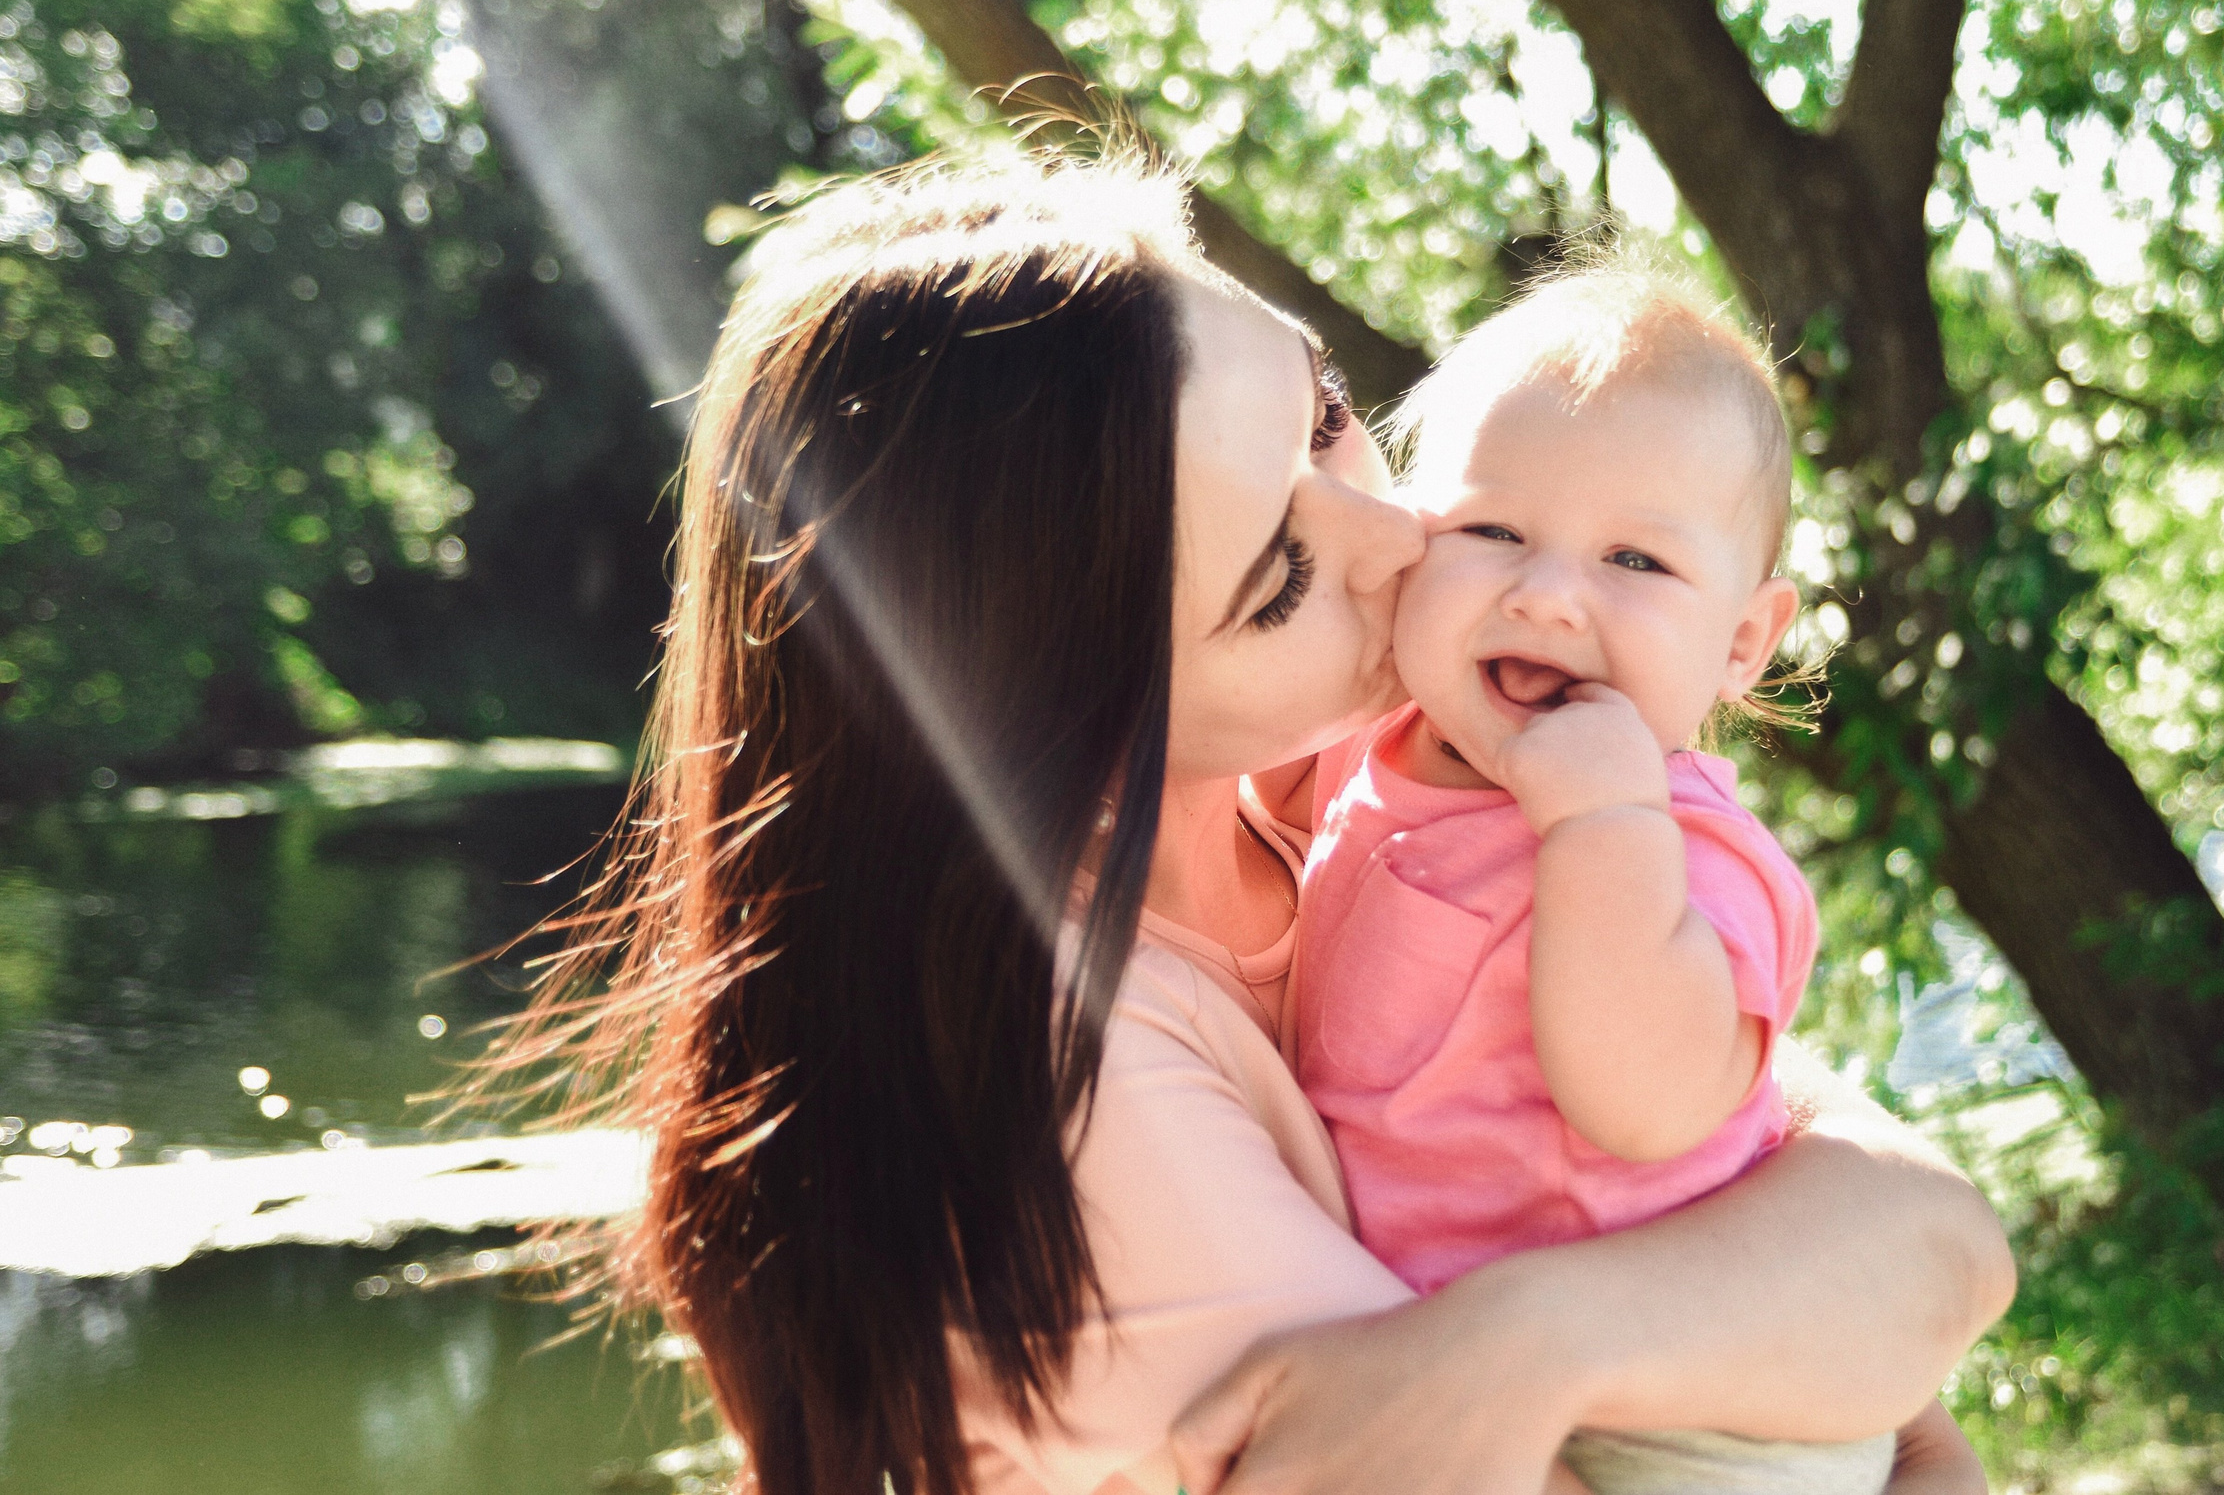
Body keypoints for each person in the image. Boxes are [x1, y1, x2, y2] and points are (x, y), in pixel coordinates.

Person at [481, 153, 2014, 1495]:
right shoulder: (1078, 1089)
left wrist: (1540, 1334)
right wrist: (1792, 1338)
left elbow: (1930, 1240)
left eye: (1331, 417)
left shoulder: (1365, 787)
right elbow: (1874, 1301)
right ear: (1058, 718)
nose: (1401, 530)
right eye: (1274, 577)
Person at [1290, 256, 1966, 1493]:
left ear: (1743, 642)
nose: (1548, 595)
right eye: (1490, 530)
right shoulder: (1368, 757)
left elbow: (1644, 1106)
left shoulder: (1687, 844)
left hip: (1695, 1416)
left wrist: (1600, 820)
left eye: (1636, 562)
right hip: (1475, 1383)